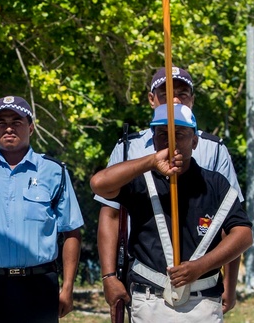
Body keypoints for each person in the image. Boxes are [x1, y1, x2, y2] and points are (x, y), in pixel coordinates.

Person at [96, 66, 245, 319]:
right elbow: (106, 202)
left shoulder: (215, 152)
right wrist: (109, 276)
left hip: (202, 290)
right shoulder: (128, 148)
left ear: (194, 140)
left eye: (183, 94)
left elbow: (233, 226)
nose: (175, 100)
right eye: (165, 94)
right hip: (147, 282)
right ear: (151, 99)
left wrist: (229, 284)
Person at [0, 96, 83, 323]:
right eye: (1, 122)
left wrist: (68, 287)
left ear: (31, 126)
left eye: (16, 121)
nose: (8, 128)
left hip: (38, 286)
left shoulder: (54, 171)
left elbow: (71, 233)